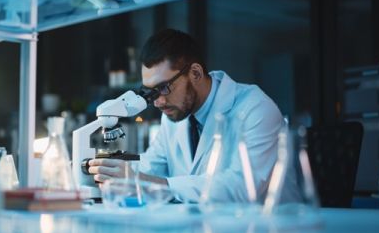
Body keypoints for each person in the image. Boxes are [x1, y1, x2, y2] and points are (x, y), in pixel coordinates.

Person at [88, 29, 299, 202]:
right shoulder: (172, 115)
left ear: (195, 73)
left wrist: (148, 182)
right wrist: (110, 171)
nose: (158, 102)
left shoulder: (256, 108)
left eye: (163, 87)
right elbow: (150, 169)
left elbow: (242, 187)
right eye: (149, 92)